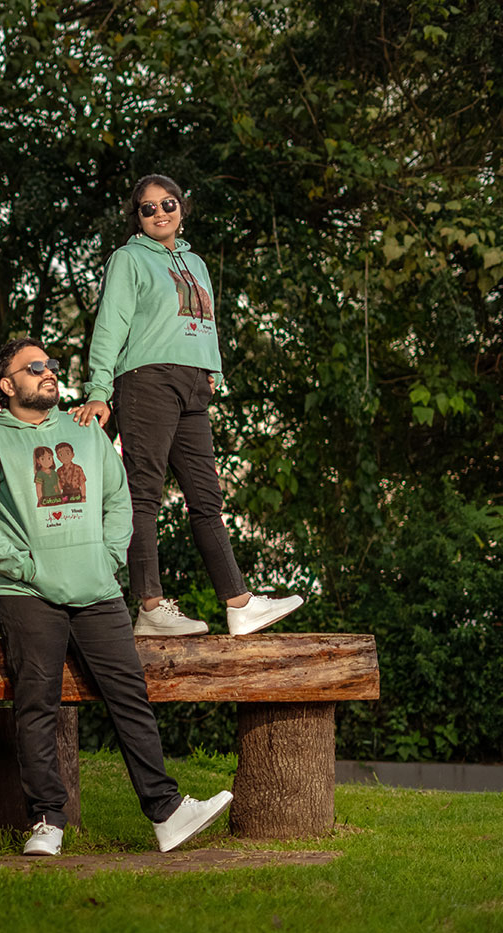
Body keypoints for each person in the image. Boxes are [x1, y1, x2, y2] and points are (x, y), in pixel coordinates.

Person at [0, 337, 233, 857]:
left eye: (50, 364)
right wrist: (30, 568)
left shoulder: (85, 431)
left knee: (130, 697)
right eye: (33, 367)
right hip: (26, 591)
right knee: (37, 703)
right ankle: (47, 822)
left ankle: (167, 813)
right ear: (6, 384)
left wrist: (107, 558)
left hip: (97, 588)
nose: (47, 372)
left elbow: (117, 499)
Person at [70, 174, 303, 638]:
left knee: (206, 499)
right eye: (148, 208)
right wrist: (99, 390)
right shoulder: (129, 259)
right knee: (144, 494)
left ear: (182, 208)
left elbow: (207, 321)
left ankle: (239, 605)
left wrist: (214, 370)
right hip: (147, 379)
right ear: (137, 217)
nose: (160, 213)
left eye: (168, 204)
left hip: (194, 386)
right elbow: (110, 325)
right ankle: (151, 608)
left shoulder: (195, 262)